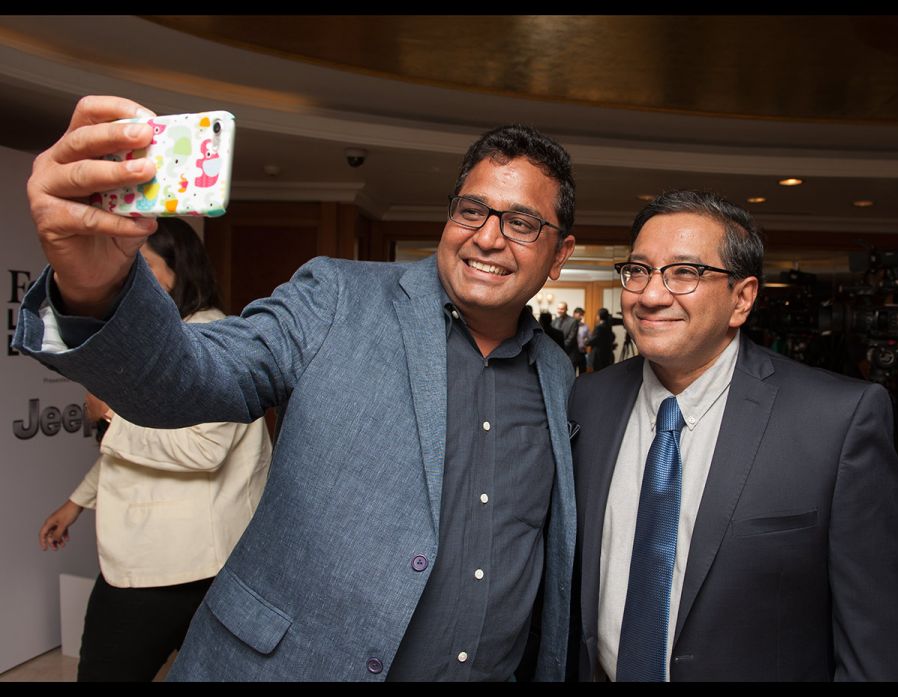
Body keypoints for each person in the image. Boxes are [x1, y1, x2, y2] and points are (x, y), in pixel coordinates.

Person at [15, 97, 578, 681]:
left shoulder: (558, 377)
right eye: (472, 210)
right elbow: (189, 377)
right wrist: (96, 287)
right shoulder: (337, 298)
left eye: (521, 223)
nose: (488, 238)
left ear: (559, 254)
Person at [568, 190, 898, 681]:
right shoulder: (587, 402)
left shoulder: (837, 422)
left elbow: (882, 646)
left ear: (742, 298)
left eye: (685, 273)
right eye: (639, 270)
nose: (650, 295)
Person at [38, 218, 273, 681]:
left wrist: (109, 412)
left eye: (143, 264)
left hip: (174, 564)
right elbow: (135, 448)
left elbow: (203, 450)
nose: (129, 278)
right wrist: (77, 502)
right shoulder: (167, 337)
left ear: (179, 270)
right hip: (165, 557)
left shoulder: (208, 339)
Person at [573, 308, 589, 375]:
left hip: (582, 352)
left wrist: (586, 341)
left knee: (583, 373)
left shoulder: (585, 326)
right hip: (572, 354)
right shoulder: (570, 325)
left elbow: (589, 338)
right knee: (571, 373)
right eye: (580, 314)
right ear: (574, 314)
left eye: (582, 315)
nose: (581, 317)